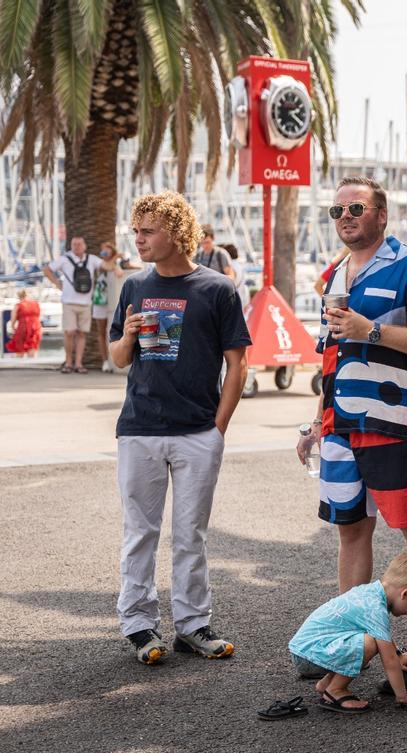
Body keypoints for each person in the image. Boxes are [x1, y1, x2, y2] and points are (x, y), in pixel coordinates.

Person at [294, 175, 407, 696]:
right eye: (336, 211)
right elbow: (330, 357)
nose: (345, 218)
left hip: (395, 427)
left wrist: (373, 330)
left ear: (381, 215)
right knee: (351, 532)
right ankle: (349, 645)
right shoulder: (332, 274)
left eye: (355, 208)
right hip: (341, 429)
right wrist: (318, 422)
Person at [108, 191, 251, 665]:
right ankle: (139, 625)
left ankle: (192, 624)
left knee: (191, 532)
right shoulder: (134, 286)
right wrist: (126, 336)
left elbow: (238, 364)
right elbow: (117, 357)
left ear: (176, 233)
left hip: (197, 432)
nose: (139, 239)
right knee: (140, 531)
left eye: (148, 231)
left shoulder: (217, 289)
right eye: (137, 231)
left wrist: (219, 427)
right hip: (140, 428)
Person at [288, 549, 407, 713]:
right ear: (406, 593)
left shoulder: (371, 593)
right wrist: (402, 696)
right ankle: (335, 691)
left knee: (370, 640)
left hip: (306, 651)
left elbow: (383, 635)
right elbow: (389, 660)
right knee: (369, 644)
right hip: (309, 657)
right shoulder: (375, 608)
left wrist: (399, 654)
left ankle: (327, 684)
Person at [43, 235, 101, 373]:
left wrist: (115, 258)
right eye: (74, 244)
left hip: (86, 303)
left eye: (80, 244)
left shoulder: (92, 259)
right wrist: (57, 283)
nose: (77, 247)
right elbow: (47, 269)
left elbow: (105, 265)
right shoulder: (64, 259)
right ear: (71, 246)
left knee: (82, 334)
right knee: (69, 332)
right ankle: (68, 362)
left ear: (85, 246)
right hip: (69, 302)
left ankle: (78, 364)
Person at [92, 242, 126, 373]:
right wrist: (116, 257)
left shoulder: (114, 264)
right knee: (101, 332)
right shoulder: (100, 264)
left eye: (107, 250)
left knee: (111, 331)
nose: (104, 252)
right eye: (103, 250)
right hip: (100, 301)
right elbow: (107, 266)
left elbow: (118, 271)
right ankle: (105, 361)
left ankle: (113, 359)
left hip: (112, 302)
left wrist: (118, 260)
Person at [5, 288, 41, 357]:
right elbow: (38, 316)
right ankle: (32, 364)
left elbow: (13, 318)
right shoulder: (36, 304)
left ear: (19, 296)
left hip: (23, 327)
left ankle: (19, 365)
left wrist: (12, 327)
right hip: (36, 327)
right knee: (32, 347)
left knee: (20, 349)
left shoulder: (19, 305)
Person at [221, 242, 251, 309]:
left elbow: (229, 283)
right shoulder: (239, 266)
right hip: (240, 300)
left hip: (232, 303)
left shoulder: (231, 267)